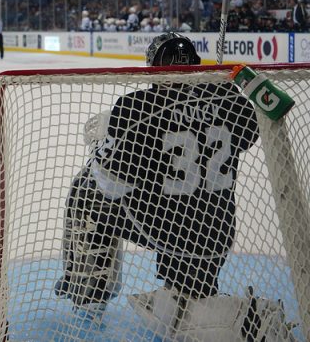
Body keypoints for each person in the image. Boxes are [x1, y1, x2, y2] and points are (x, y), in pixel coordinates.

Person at [55, 33, 260, 330]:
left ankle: (89, 296)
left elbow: (113, 185)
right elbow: (245, 135)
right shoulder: (231, 100)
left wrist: (102, 147)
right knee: (189, 294)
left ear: (152, 67)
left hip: (164, 229)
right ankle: (190, 296)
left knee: (86, 192)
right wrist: (210, 104)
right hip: (218, 231)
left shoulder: (136, 107)